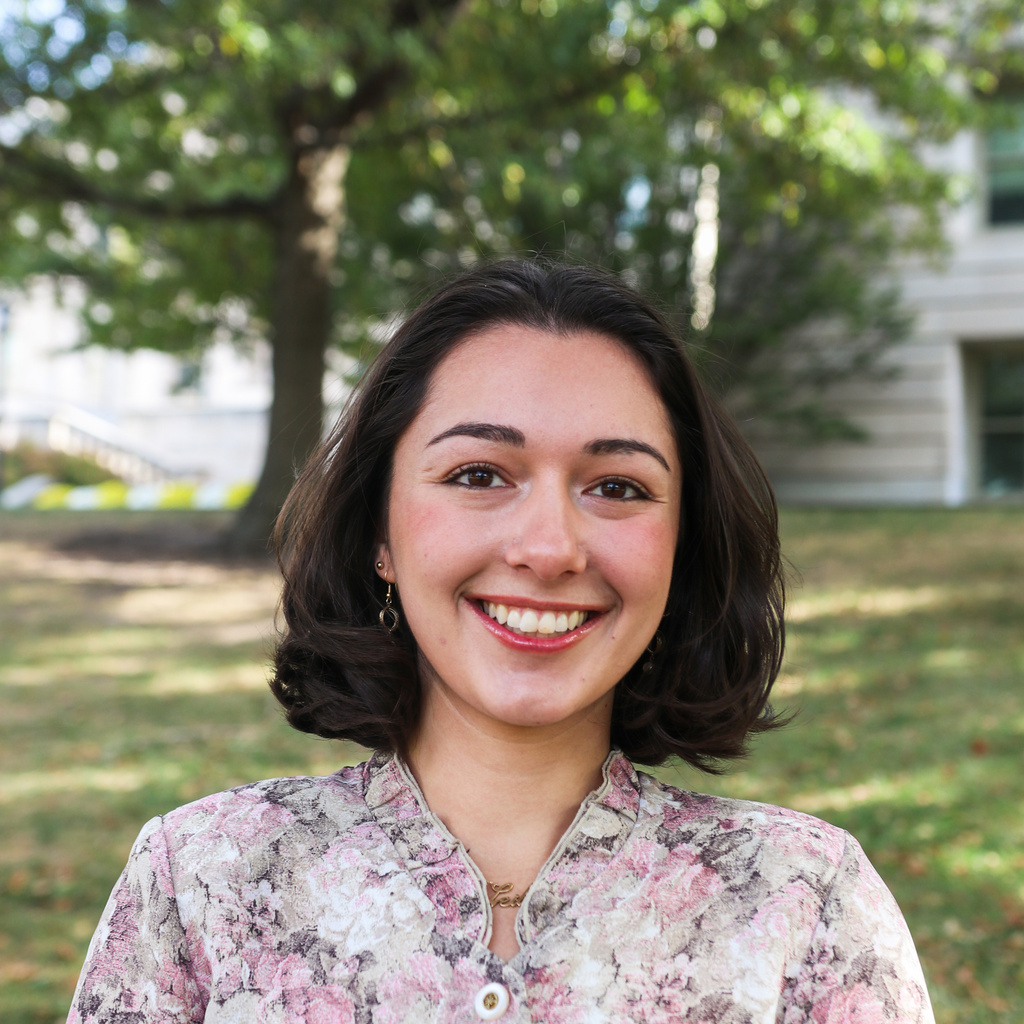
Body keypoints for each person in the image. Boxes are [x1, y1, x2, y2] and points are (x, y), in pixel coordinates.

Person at [68, 259, 935, 1023]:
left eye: (618, 487)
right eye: (479, 475)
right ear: (381, 532)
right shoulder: (201, 881)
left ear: (682, 547)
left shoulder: (806, 901)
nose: (550, 548)